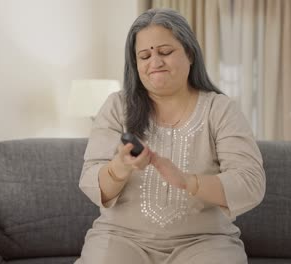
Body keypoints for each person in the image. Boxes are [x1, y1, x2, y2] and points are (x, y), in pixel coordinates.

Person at [75, 8, 265, 264]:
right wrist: (120, 167)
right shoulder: (117, 107)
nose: (155, 62)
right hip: (121, 238)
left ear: (190, 54)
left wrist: (189, 182)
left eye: (165, 52)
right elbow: (90, 181)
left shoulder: (220, 109)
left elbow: (250, 182)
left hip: (205, 241)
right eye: (144, 56)